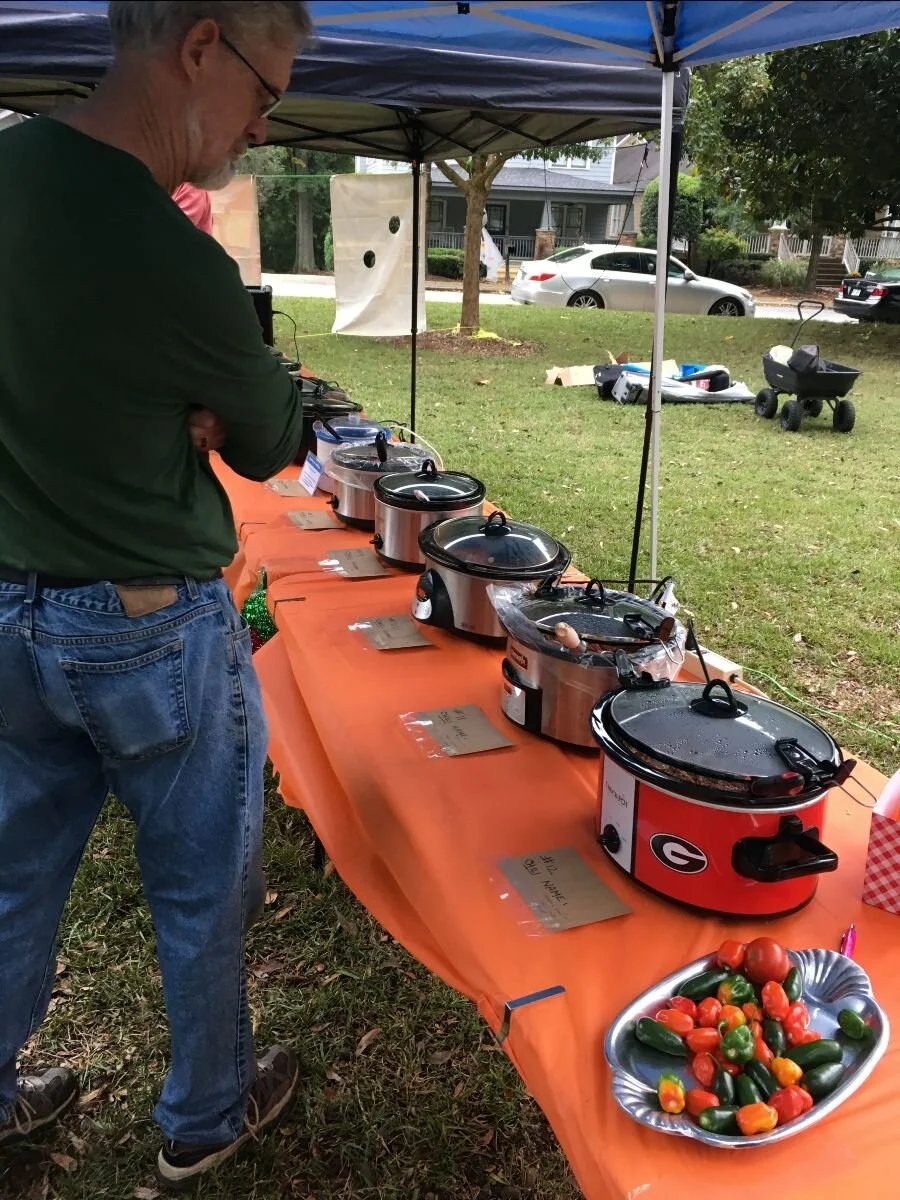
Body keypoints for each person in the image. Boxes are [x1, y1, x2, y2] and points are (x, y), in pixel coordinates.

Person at [0, 0, 311, 1187]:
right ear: (197, 45)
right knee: (199, 883)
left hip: (10, 609)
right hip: (141, 626)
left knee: (15, 870)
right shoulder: (172, 252)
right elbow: (277, 436)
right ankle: (203, 1115)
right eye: (267, 91)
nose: (264, 126)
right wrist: (211, 404)